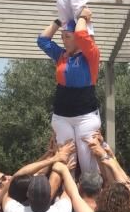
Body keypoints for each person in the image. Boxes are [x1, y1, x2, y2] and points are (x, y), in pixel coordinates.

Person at [37, 9, 101, 176]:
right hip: (61, 117)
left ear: (78, 39)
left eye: (67, 36)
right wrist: (60, 21)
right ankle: (66, 198)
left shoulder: (91, 55)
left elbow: (81, 33)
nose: (63, 40)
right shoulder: (61, 55)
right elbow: (42, 40)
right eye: (62, 36)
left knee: (88, 165)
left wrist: (82, 17)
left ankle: (92, 197)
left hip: (85, 117)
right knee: (66, 163)